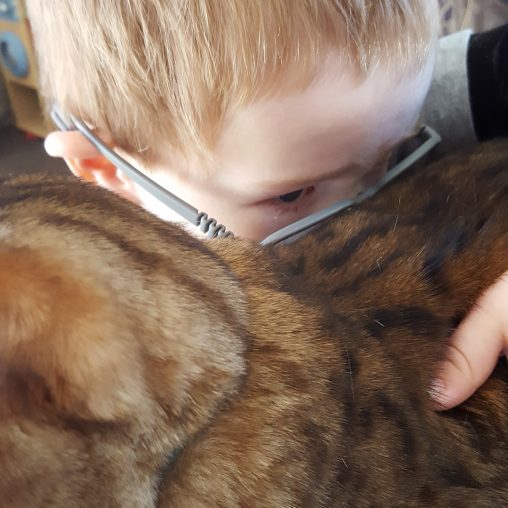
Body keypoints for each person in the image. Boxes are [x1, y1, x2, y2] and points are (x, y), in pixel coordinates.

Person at [26, 1, 508, 412]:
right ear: (109, 171)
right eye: (292, 195)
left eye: (395, 153)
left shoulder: (375, 99)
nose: (361, 221)